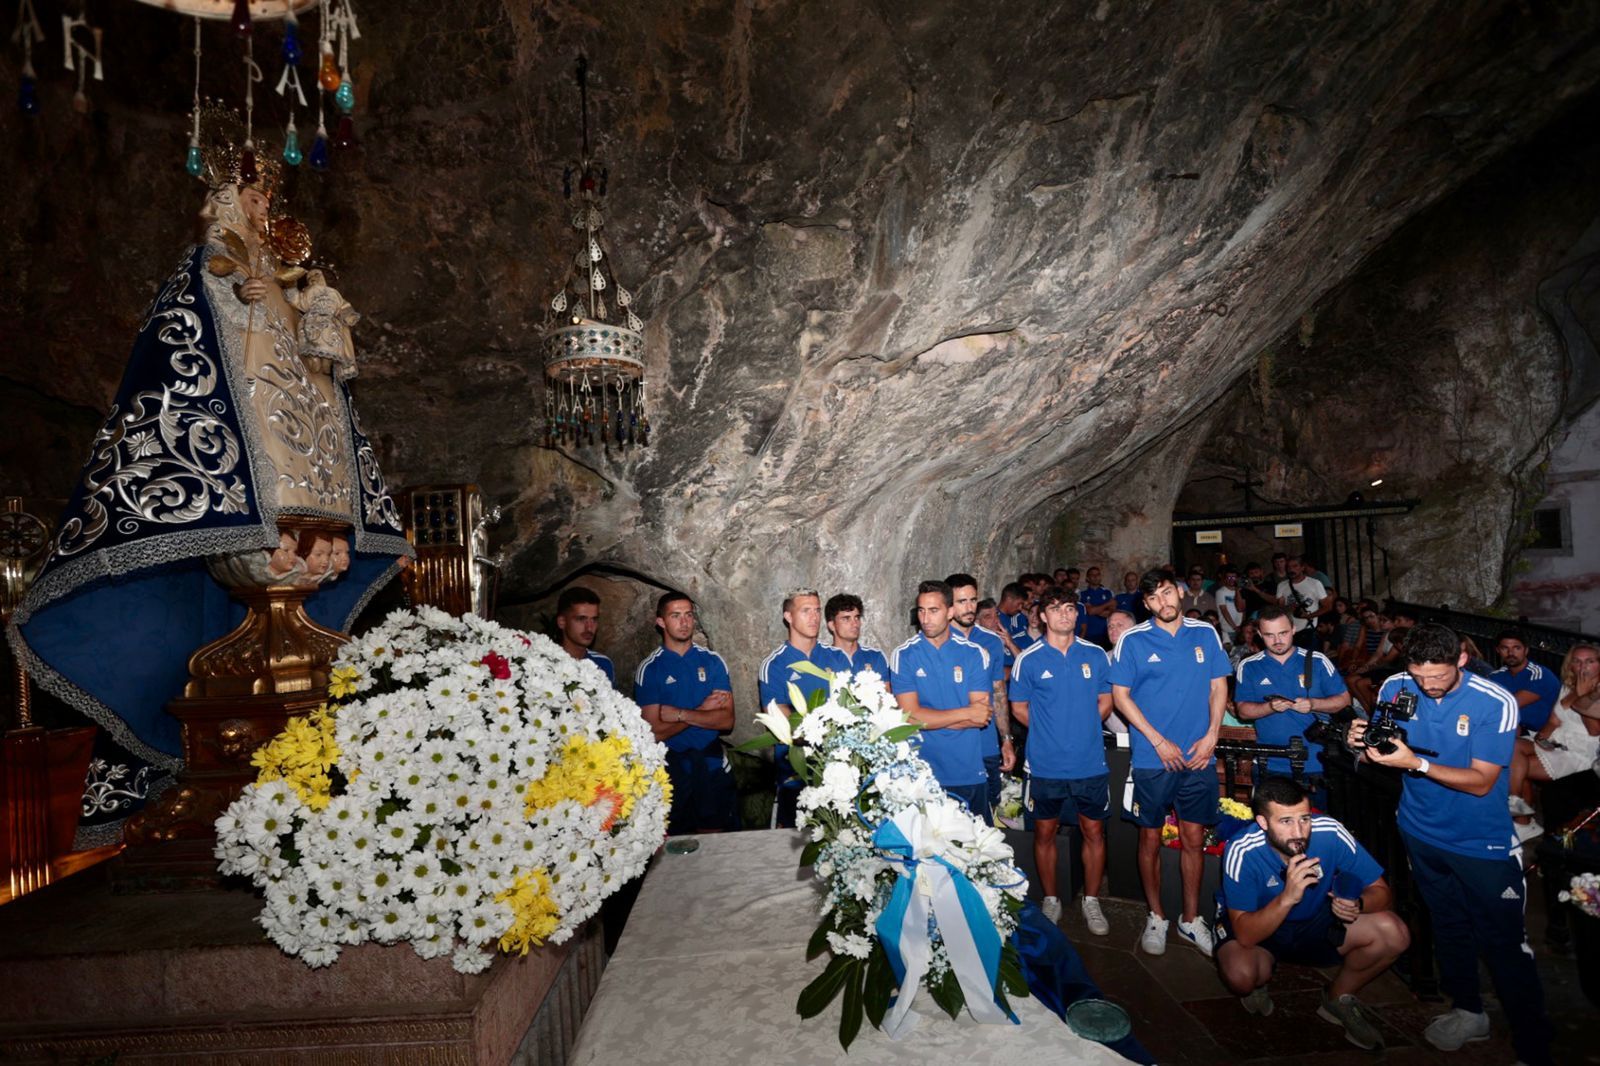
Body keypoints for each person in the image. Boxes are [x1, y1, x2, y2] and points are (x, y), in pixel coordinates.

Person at [1353, 623, 1552, 1065]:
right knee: (1448, 924)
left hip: (1482, 843)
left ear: (1461, 660)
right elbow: (1387, 739)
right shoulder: (1397, 684)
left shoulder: (1492, 701)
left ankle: (1533, 1049)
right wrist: (1365, 743)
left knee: (1505, 944)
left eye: (1438, 677)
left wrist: (1416, 763)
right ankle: (1468, 1010)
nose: (1427, 686)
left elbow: (1482, 782)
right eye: (1419, 676)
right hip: (1420, 830)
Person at [1215, 777, 1409, 1049]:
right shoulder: (1242, 849)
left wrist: (1358, 904)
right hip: (1261, 926)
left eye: (1304, 819)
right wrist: (1287, 898)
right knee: (1241, 976)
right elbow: (1245, 934)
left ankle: (1337, 998)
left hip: (1315, 921)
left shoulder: (1329, 832)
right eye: (1285, 821)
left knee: (1394, 933)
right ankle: (1260, 979)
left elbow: (1382, 892)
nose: (1299, 831)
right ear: (1263, 822)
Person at [1109, 568, 1231, 957]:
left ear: (1179, 592)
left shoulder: (1204, 633)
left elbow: (1218, 685)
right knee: (1149, 837)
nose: (1163, 603)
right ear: (1145, 604)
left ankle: (1191, 919)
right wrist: (1158, 741)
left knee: (1194, 838)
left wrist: (1213, 734)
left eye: (1167, 593)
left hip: (1199, 754)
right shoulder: (1134, 639)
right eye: (1154, 599)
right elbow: (1120, 696)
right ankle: (1157, 915)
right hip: (1152, 756)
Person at [1009, 587, 1113, 933]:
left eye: (1070, 608)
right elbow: (1018, 707)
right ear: (1042, 616)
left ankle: (1092, 900)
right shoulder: (1029, 659)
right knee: (1044, 832)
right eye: (1055, 609)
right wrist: (1050, 732)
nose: (1064, 615)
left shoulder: (1096, 655)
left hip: (1089, 763)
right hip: (1045, 765)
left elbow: (1106, 700)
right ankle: (1051, 899)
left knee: (1094, 832)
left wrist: (1080, 728)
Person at [635, 593, 737, 836]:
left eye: (689, 615)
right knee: (675, 852)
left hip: (711, 763)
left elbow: (727, 720)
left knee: (721, 846)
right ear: (661, 622)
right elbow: (654, 732)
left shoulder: (712, 661)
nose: (684, 622)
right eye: (676, 616)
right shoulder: (651, 669)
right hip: (671, 769)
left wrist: (680, 714)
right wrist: (703, 710)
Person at [889, 580, 993, 817]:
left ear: (950, 612)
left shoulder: (974, 654)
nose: (925, 618)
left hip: (967, 769)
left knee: (974, 849)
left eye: (933, 610)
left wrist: (930, 717)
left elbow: (981, 717)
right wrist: (965, 712)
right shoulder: (904, 655)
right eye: (921, 611)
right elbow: (911, 717)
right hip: (921, 773)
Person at [757, 588, 847, 828]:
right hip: (795, 776)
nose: (814, 617)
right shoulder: (774, 664)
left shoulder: (836, 658)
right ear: (788, 616)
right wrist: (821, 734)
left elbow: (849, 706)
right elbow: (780, 718)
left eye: (817, 610)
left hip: (838, 773)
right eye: (806, 611)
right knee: (792, 853)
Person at [1234, 607, 1351, 780]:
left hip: (1316, 761)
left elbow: (1344, 701)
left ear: (1294, 630)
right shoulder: (1249, 666)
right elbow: (1243, 710)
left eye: (1283, 633)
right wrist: (1270, 707)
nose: (1277, 640)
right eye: (1269, 635)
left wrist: (1313, 704)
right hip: (1270, 761)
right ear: (1259, 633)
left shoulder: (1317, 660)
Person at [1507, 642, 1600, 840]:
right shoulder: (1568, 686)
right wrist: (1541, 738)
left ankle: (1522, 821)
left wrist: (1582, 696)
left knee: (1514, 766)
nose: (1583, 667)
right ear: (1570, 665)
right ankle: (1517, 807)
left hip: (1580, 752)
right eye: (1577, 661)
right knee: (1510, 747)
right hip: (1557, 741)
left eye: (1590, 661)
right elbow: (1554, 719)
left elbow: (1594, 731)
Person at [947, 573, 1016, 816]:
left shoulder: (991, 641)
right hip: (951, 747)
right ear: (947, 604)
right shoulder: (937, 642)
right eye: (961, 601)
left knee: (989, 816)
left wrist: (1006, 739)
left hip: (987, 744)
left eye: (972, 600)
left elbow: (998, 692)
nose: (968, 608)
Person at [1489, 629, 1562, 734]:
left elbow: (1511, 704)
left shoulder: (1540, 675)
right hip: (1510, 727)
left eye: (1516, 648)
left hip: (1543, 733)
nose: (1510, 653)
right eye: (1505, 648)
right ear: (1498, 650)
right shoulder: (1495, 676)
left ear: (1526, 650)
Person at [554, 586, 615, 685]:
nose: (589, 628)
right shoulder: (545, 662)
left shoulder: (603, 664)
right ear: (562, 622)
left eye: (594, 619)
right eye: (581, 619)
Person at [823, 593, 889, 681]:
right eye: (846, 619)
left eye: (857, 618)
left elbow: (886, 693)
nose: (855, 624)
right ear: (832, 625)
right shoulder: (821, 659)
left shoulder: (875, 657)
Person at [1277, 556, 1332, 649]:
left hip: (1308, 630)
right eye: (1289, 567)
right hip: (1289, 631)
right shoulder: (1282, 585)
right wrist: (1288, 608)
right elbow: (1279, 608)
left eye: (1295, 566)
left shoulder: (1315, 584)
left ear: (1302, 567)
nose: (1291, 569)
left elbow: (1327, 606)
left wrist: (1310, 616)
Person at [1077, 566, 1115, 647]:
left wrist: (1094, 609)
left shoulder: (1108, 592)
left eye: (1097, 574)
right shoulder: (1082, 594)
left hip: (1105, 634)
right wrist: (1107, 604)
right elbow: (1089, 611)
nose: (1095, 577)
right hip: (1088, 634)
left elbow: (1111, 613)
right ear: (1087, 578)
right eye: (1092, 575)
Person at [1215, 566, 1243, 649]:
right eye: (1229, 577)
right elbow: (1224, 610)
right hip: (1227, 629)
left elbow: (1242, 609)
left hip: (1240, 629)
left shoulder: (1241, 591)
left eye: (1233, 577)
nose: (1231, 579)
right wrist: (1234, 626)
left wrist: (1242, 625)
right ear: (1225, 579)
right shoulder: (1220, 592)